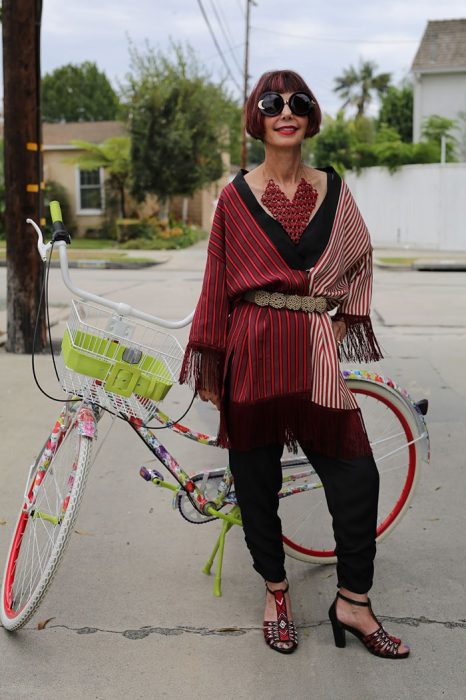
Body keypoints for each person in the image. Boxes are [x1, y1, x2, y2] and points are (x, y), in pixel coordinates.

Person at [180, 69, 409, 658]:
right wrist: (211, 361)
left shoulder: (333, 186)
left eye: (299, 102)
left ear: (310, 117)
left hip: (314, 356)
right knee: (256, 482)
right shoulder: (233, 197)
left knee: (358, 475)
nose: (287, 110)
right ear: (257, 118)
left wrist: (340, 317)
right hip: (253, 353)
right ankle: (275, 591)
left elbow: (360, 256)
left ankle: (353, 602)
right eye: (273, 102)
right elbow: (215, 285)